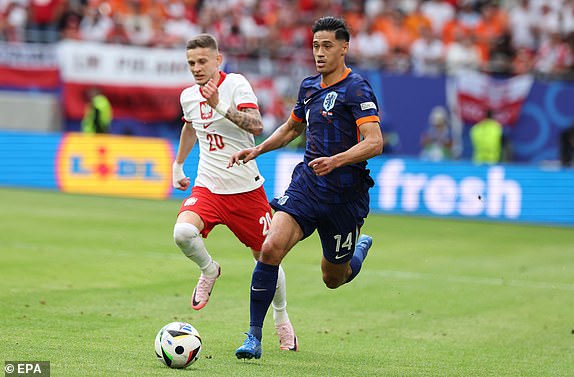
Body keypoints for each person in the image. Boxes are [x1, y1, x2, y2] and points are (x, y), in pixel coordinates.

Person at [228, 17, 384, 360]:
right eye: (315, 46)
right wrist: (257, 148)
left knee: (333, 278)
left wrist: (337, 160)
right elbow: (290, 129)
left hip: (345, 196)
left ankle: (356, 253)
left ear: (344, 47)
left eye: (327, 46)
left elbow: (374, 143)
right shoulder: (309, 87)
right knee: (270, 249)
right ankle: (254, 337)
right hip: (308, 187)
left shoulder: (357, 89)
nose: (319, 52)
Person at [171, 33, 297, 351]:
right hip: (209, 186)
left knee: (268, 260)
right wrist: (178, 164)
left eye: (202, 61)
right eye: (191, 63)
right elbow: (190, 126)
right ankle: (209, 269)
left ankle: (282, 319)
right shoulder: (188, 96)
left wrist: (220, 106)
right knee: (183, 233)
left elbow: (256, 126)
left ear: (218, 59)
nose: (197, 68)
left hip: (246, 190)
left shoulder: (237, 85)